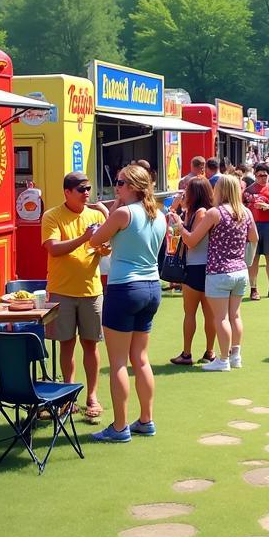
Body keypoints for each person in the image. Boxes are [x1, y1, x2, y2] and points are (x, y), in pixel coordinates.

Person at [87, 164, 167, 442]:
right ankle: (146, 419)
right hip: (151, 287)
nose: (116, 188)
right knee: (141, 360)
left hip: (125, 288)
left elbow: (96, 239)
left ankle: (120, 427)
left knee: (118, 362)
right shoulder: (160, 215)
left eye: (120, 183)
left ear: (132, 186)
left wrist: (109, 213)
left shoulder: (123, 212)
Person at [170, 174, 257, 371]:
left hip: (219, 271)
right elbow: (253, 237)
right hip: (240, 270)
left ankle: (223, 359)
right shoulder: (245, 212)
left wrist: (180, 225)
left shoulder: (215, 213)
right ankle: (235, 356)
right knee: (235, 316)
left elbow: (191, 241)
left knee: (221, 318)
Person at [41, 171, 107, 423]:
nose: (87, 193)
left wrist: (102, 247)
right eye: (81, 189)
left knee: (91, 344)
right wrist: (84, 238)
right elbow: (53, 249)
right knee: (66, 344)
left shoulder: (96, 214)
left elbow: (101, 246)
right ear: (67, 192)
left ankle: (92, 397)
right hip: (62, 291)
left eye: (88, 188)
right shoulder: (52, 216)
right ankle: (68, 396)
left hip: (91, 290)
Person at [169, 176, 217, 366]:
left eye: (186, 190)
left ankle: (202, 352)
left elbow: (191, 240)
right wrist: (176, 208)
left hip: (199, 266)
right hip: (197, 265)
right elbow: (173, 217)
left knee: (200, 313)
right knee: (197, 313)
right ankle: (201, 352)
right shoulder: (193, 212)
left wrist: (180, 224)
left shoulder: (201, 213)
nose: (184, 193)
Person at [244, 162, 269, 300]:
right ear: (255, 175)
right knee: (254, 259)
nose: (263, 178)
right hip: (253, 226)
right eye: (260, 175)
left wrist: (267, 206)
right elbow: (241, 208)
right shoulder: (248, 191)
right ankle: (253, 288)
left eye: (265, 175)